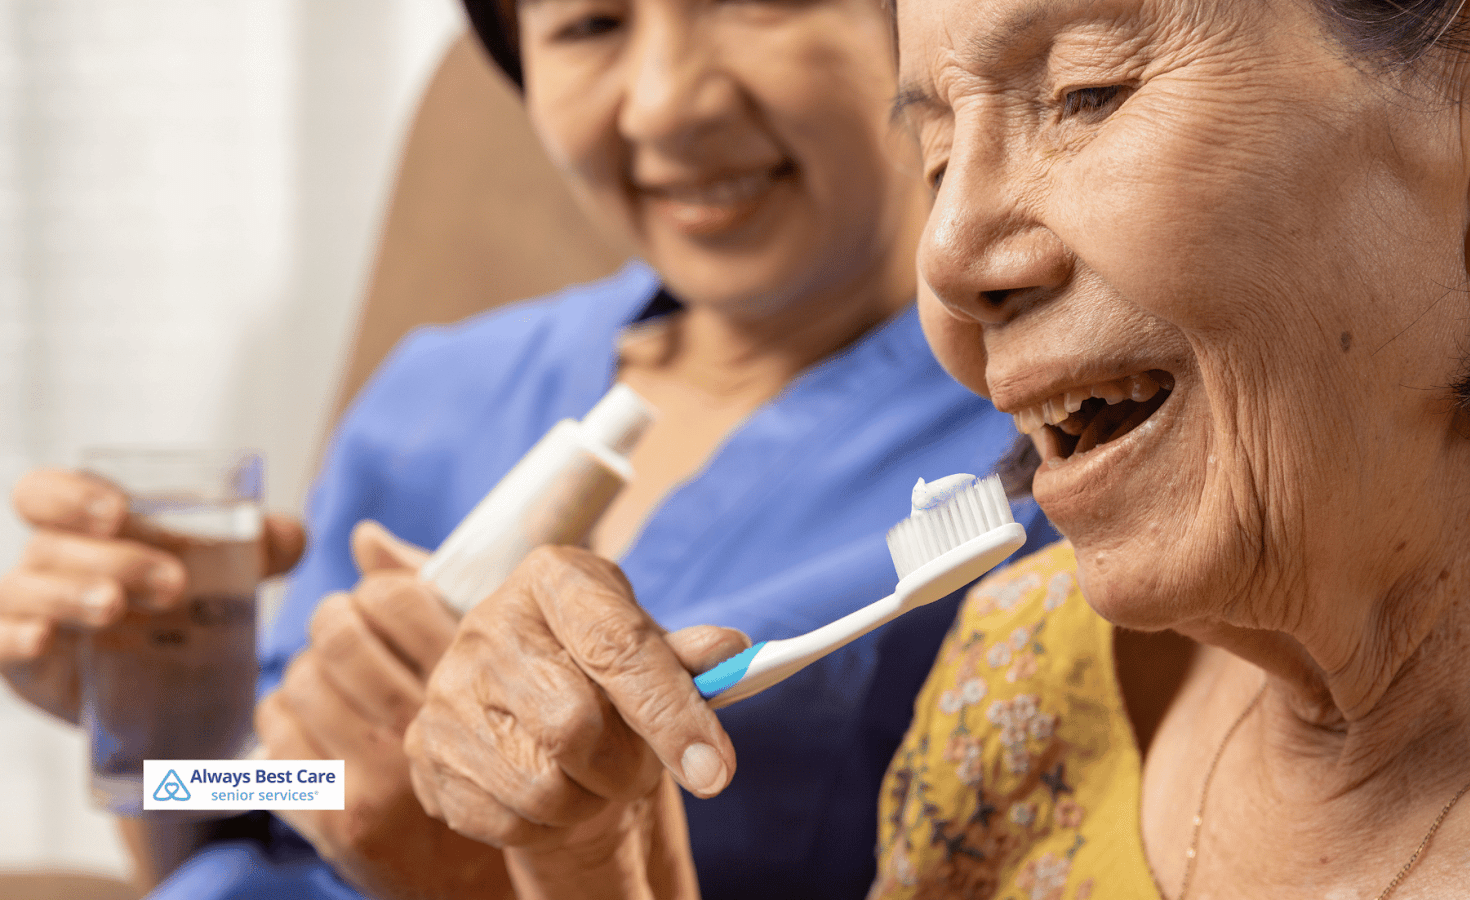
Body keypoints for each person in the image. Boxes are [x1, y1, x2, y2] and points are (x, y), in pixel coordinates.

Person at [403, 0, 1470, 896]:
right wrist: (574, 848)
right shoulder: (1020, 672)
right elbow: (225, 778)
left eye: (1087, 91)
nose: (949, 260)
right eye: (932, 159)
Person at [0, 0, 1048, 897]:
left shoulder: (1045, 430)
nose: (667, 102)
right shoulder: (437, 392)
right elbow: (279, 795)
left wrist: (482, 872)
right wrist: (148, 725)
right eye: (588, 23)